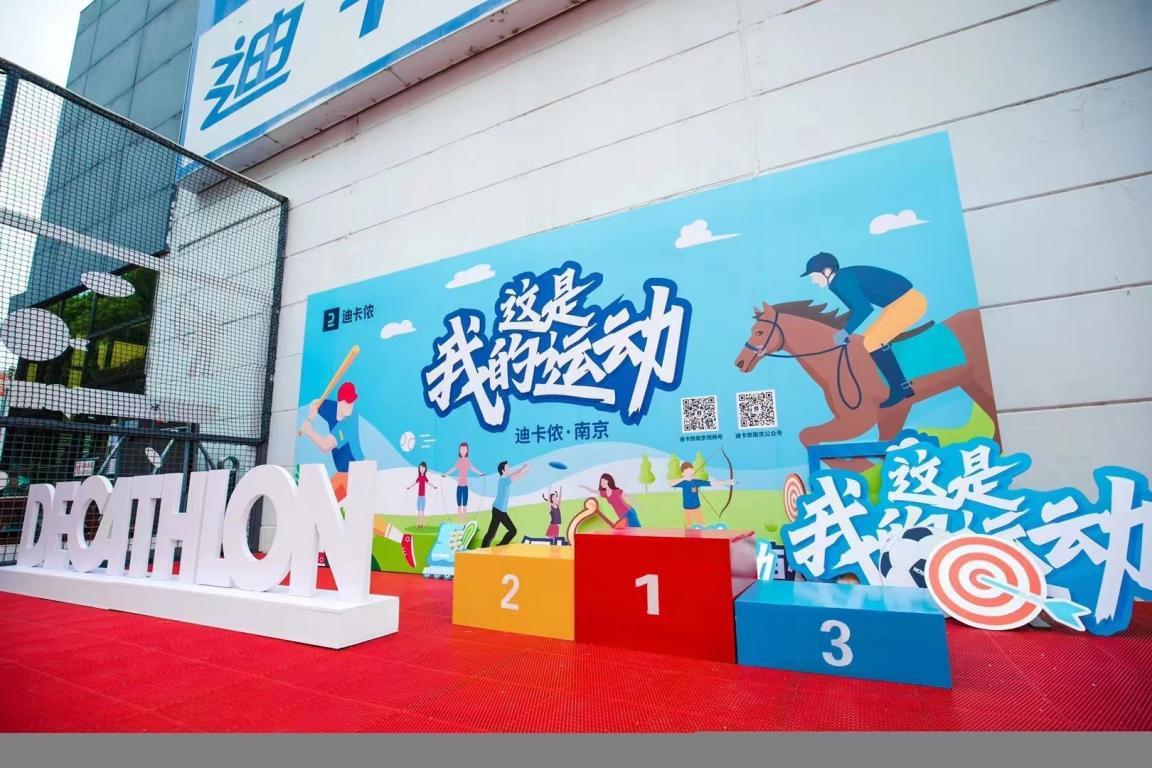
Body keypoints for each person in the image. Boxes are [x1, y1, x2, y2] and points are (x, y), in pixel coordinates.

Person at [299, 381, 415, 568]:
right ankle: (321, 553)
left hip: (357, 472)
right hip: (344, 474)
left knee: (356, 514)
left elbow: (325, 445)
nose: (350, 406)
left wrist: (309, 430)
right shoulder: (332, 408)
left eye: (352, 402)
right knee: (326, 504)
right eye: (347, 402)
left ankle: (403, 539)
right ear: (340, 402)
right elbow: (316, 403)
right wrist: (312, 410)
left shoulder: (349, 422)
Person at [801, 252, 928, 408]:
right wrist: (845, 330)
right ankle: (901, 386)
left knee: (872, 341)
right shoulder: (837, 281)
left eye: (813, 275)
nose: (813, 281)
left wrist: (846, 332)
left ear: (826, 271)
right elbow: (857, 309)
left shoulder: (841, 281)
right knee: (868, 339)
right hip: (897, 304)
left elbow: (863, 309)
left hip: (909, 303)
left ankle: (901, 388)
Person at [671, 461, 735, 528]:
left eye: (691, 471)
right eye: (687, 472)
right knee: (688, 526)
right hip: (687, 508)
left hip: (697, 507)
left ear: (693, 471)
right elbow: (670, 483)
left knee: (702, 524)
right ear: (683, 473)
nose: (689, 473)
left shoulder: (696, 482)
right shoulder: (683, 482)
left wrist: (728, 482)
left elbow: (711, 483)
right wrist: (684, 478)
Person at [482, 461, 530, 547]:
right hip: (499, 510)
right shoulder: (504, 480)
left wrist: (522, 468)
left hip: (497, 509)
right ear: (503, 470)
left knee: (491, 533)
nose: (509, 469)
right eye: (507, 468)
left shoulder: (504, 478)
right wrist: (526, 471)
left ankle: (486, 548)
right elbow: (517, 476)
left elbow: (514, 473)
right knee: (512, 531)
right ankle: (499, 546)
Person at [444, 442, 485, 522]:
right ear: (459, 450)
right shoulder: (458, 461)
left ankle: (464, 522)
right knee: (459, 505)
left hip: (465, 486)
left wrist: (480, 473)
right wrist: (446, 474)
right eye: (461, 449)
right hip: (459, 486)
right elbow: (453, 469)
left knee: (465, 505)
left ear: (467, 451)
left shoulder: (467, 461)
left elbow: (472, 468)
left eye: (465, 449)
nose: (463, 451)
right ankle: (460, 521)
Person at [407, 462, 436, 529]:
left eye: (423, 468)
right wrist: (409, 487)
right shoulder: (419, 477)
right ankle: (418, 524)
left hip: (423, 497)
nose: (421, 469)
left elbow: (428, 483)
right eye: (420, 468)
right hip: (419, 497)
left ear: (425, 469)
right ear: (419, 469)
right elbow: (415, 483)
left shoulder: (425, 477)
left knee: (422, 511)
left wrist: (433, 486)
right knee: (418, 511)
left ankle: (422, 524)